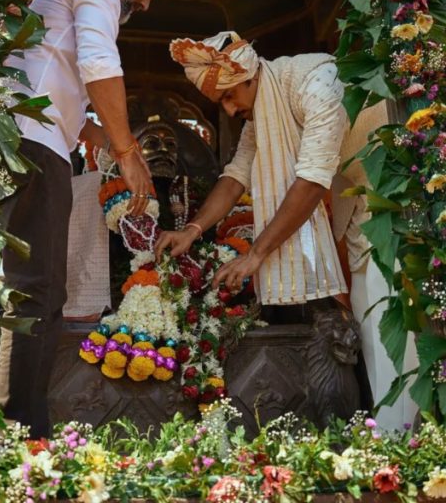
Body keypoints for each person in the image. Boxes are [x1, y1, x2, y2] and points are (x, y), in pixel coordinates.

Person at [157, 31, 418, 427]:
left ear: (250, 76)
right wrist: (192, 230)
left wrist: (257, 253)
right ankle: (384, 435)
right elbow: (235, 175)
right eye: (220, 102)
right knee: (369, 324)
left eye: (230, 96)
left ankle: (407, 441)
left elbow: (312, 180)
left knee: (394, 325)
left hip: (394, 201)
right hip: (357, 211)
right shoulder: (260, 108)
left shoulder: (317, 83)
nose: (228, 110)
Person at [0, 0, 177, 437]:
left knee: (38, 290)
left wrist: (108, 144)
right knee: (34, 291)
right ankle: (17, 436)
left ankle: (26, 427)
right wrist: (126, 153)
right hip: (34, 145)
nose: (142, 3)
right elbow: (99, 65)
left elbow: (68, 97)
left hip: (30, 139)